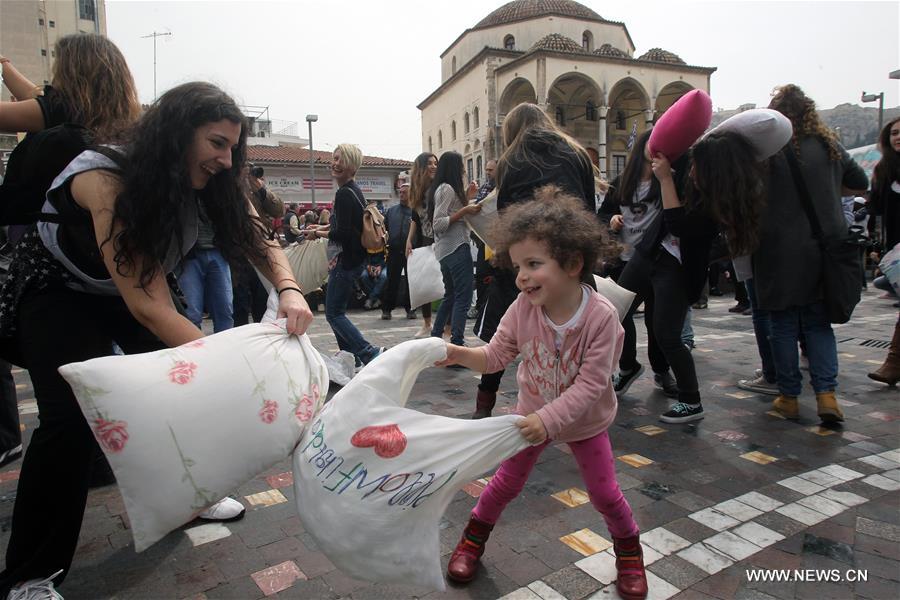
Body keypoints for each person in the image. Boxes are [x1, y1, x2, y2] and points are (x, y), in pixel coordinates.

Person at [0, 82, 313, 598]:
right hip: (58, 288)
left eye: (232, 147)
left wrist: (290, 291)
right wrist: (239, 371)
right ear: (176, 135)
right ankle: (30, 575)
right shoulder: (107, 177)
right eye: (216, 142)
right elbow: (148, 306)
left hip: (134, 282)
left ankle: (190, 497)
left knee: (183, 395)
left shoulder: (218, 179)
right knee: (69, 420)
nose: (224, 157)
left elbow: (260, 238)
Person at [438, 189, 645, 600]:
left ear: (572, 263)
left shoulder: (601, 318)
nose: (522, 276)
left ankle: (629, 554)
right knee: (503, 484)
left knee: (604, 492)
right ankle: (472, 541)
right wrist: (457, 354)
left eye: (534, 264)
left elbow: (591, 385)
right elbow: (495, 356)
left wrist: (548, 421)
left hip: (584, 422)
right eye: (518, 266)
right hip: (531, 415)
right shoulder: (521, 308)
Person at [471, 103, 596, 419]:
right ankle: (585, 399)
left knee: (505, 333)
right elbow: (588, 209)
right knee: (585, 329)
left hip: (530, 259)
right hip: (570, 258)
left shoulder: (512, 161)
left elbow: (505, 218)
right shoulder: (576, 153)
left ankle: (484, 404)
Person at [750, 85, 867, 421]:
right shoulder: (831, 146)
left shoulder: (765, 153)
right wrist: (828, 192)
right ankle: (827, 396)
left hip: (777, 253)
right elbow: (860, 183)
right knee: (817, 326)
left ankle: (789, 396)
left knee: (783, 326)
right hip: (823, 250)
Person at [600, 130, 677, 399]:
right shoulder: (622, 183)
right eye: (651, 141)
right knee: (618, 315)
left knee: (658, 321)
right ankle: (628, 366)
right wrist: (611, 219)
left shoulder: (666, 180)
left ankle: (661, 370)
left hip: (657, 261)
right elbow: (603, 214)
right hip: (624, 261)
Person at [304, 143, 383, 366]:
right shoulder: (352, 191)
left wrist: (318, 232)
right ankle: (351, 358)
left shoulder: (345, 194)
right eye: (335, 158)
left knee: (334, 314)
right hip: (353, 260)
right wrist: (319, 230)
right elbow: (346, 228)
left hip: (346, 261)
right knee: (335, 312)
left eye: (341, 160)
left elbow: (343, 233)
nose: (335, 163)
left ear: (352, 167)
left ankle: (368, 352)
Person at [427, 152, 480, 347]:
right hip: (455, 247)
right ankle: (457, 341)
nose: (464, 170)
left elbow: (449, 212)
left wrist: (467, 197)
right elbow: (439, 223)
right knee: (462, 296)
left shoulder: (443, 188)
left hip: (446, 251)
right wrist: (465, 210)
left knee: (450, 295)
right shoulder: (446, 188)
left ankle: (435, 338)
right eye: (461, 166)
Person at [868, 116, 900, 385]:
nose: (898, 137)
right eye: (894, 133)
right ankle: (893, 363)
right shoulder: (885, 170)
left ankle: (893, 362)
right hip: (896, 250)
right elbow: (876, 211)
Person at [405, 153, 438, 337]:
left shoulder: (439, 187)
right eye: (429, 164)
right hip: (425, 239)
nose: (433, 166)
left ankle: (446, 326)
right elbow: (415, 218)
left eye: (435, 163)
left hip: (442, 238)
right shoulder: (416, 190)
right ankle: (427, 324)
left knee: (443, 283)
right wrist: (409, 240)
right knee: (425, 282)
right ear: (421, 168)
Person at [381, 178, 415, 320]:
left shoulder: (415, 212)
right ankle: (387, 309)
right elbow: (385, 228)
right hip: (394, 251)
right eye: (400, 192)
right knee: (391, 281)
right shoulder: (391, 211)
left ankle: (410, 309)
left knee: (411, 281)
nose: (401, 195)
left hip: (411, 252)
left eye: (404, 192)